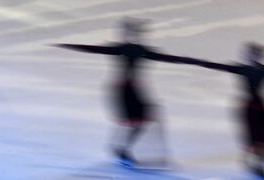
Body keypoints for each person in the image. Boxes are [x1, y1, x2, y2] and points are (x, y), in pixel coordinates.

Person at [55, 18, 198, 165]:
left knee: (141, 119)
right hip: (125, 89)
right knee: (136, 120)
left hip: (131, 88)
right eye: (134, 32)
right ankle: (122, 149)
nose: (135, 36)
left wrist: (193, 61)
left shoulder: (134, 50)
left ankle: (122, 149)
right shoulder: (131, 50)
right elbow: (94, 49)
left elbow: (169, 58)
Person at [172, 42, 264, 180]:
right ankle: (258, 164)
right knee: (260, 139)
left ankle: (259, 163)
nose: (256, 58)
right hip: (250, 110)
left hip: (261, 108)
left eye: (258, 55)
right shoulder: (244, 69)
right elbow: (220, 66)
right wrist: (200, 62)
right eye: (254, 55)